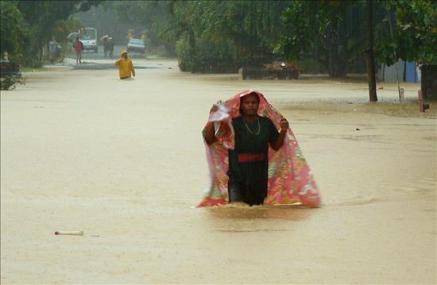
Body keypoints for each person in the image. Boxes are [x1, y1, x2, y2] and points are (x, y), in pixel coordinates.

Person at [198, 90, 321, 207]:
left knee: (257, 211)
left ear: (258, 104)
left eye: (254, 103)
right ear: (241, 105)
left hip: (259, 177)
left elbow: (276, 146)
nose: (251, 106)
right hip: (237, 177)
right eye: (247, 103)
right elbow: (210, 139)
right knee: (236, 210)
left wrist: (283, 130)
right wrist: (212, 117)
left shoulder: (266, 123)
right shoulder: (233, 123)